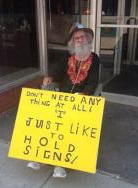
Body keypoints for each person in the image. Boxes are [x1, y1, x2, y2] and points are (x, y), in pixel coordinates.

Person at [27, 23, 100, 178]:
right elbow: (57, 72)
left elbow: (93, 82)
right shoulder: (67, 57)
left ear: (87, 39)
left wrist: (84, 94)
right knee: (48, 125)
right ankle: (39, 157)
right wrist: (50, 77)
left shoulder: (95, 59)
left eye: (82, 37)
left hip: (80, 100)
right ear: (72, 42)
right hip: (61, 96)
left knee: (68, 128)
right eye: (76, 38)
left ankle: (61, 165)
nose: (80, 40)